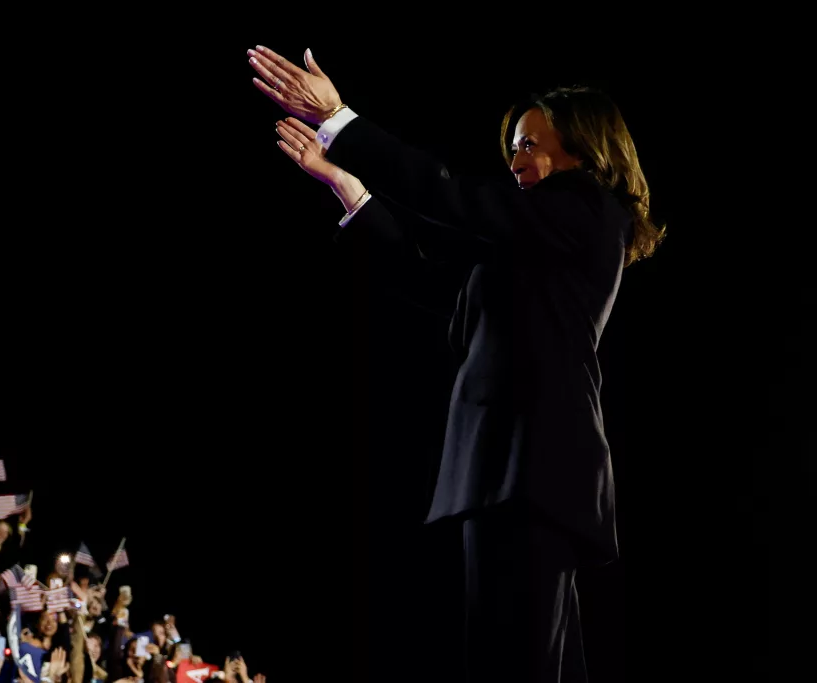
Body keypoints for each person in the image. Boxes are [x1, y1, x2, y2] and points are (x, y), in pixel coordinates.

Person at [248, 45, 663, 681]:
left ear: (583, 145)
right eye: (513, 147)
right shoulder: (530, 249)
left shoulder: (585, 208)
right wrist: (345, 183)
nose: (515, 160)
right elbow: (430, 270)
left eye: (530, 145)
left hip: (536, 471)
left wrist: (337, 117)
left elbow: (449, 197)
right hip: (509, 475)